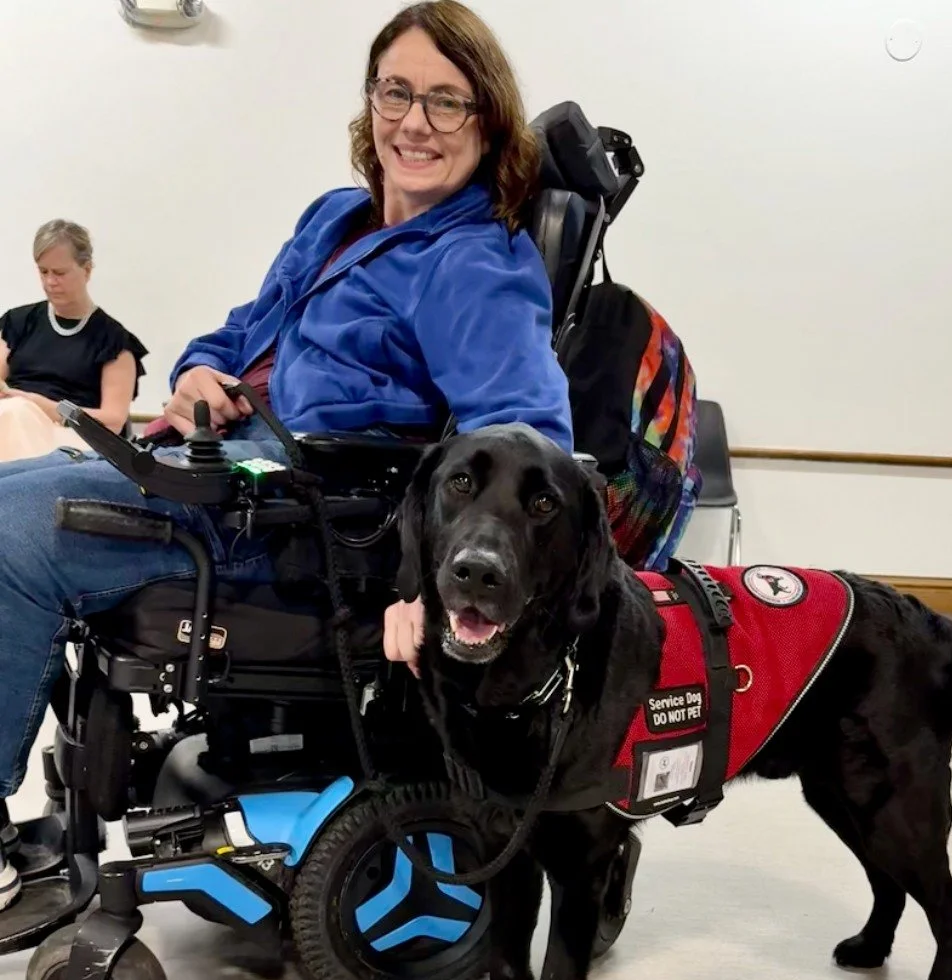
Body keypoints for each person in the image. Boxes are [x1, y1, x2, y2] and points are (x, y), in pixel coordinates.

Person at [0, 0, 572, 911]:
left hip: (300, 521)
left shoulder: (476, 263)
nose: (414, 121)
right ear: (370, 101)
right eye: (396, 92)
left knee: (8, 535)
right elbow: (240, 329)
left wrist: (426, 580)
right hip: (218, 459)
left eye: (445, 101)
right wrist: (197, 371)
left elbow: (526, 442)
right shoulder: (337, 218)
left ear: (488, 121)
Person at [0, 220, 146, 461]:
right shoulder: (18, 322)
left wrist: (41, 405)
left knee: (16, 413)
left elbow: (113, 421)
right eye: (43, 271)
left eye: (59, 273)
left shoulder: (113, 342)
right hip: (14, 422)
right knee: (13, 414)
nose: (50, 282)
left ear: (87, 270)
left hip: (70, 442)